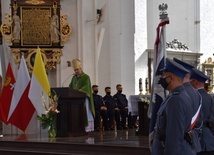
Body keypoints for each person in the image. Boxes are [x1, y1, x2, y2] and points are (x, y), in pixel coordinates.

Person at [152, 58, 194, 155]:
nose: (162, 78)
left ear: (171, 78)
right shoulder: (175, 95)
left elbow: (174, 136)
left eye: (164, 76)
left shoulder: (176, 99)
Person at [173, 58, 203, 153]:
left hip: (179, 144)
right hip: (192, 140)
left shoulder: (178, 93)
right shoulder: (197, 94)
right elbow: (199, 122)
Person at [190, 68, 214, 155]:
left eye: (190, 81)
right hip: (209, 138)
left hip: (199, 140)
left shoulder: (195, 97)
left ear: (195, 82)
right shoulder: (209, 97)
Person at [69, 59, 95, 132]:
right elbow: (70, 86)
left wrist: (78, 91)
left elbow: (86, 87)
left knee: (85, 112)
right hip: (75, 100)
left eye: (77, 69)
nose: (76, 71)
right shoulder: (74, 78)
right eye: (75, 70)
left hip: (83, 99)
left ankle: (87, 128)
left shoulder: (86, 77)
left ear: (80, 68)